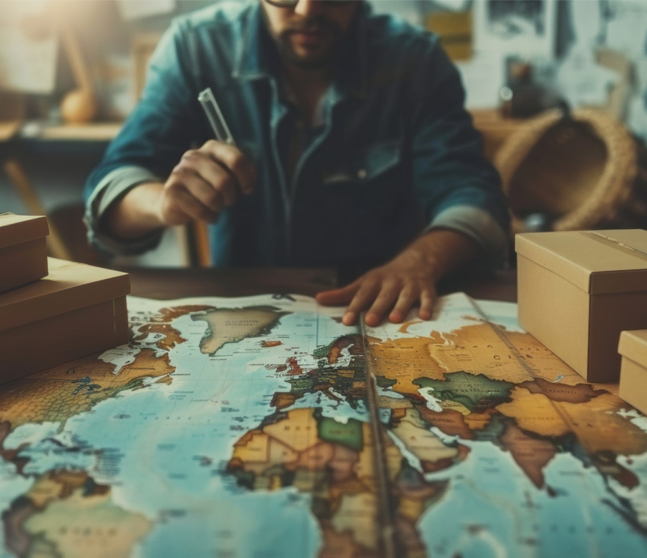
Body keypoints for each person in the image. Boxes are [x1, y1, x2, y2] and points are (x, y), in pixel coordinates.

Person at [84, 0, 509, 327]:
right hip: (245, 315)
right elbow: (115, 184)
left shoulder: (415, 62)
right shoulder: (196, 47)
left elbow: (473, 196)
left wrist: (420, 262)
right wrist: (162, 205)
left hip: (374, 313)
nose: (308, 11)